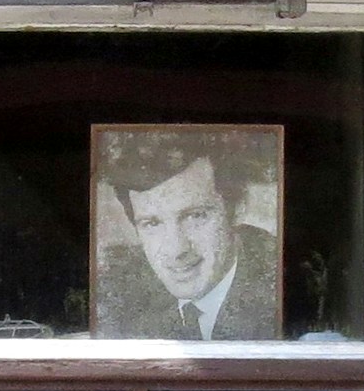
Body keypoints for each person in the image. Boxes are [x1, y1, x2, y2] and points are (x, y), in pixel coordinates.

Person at [93, 131, 281, 339]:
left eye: (195, 216)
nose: (176, 250)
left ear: (237, 209)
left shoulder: (281, 287)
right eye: (152, 223)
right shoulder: (116, 295)